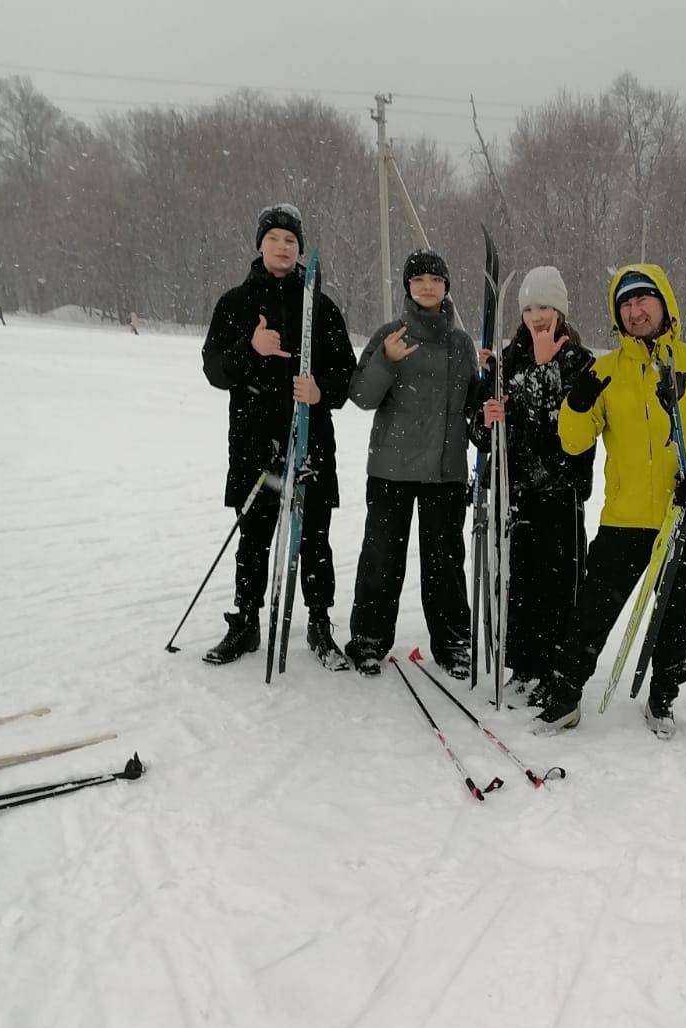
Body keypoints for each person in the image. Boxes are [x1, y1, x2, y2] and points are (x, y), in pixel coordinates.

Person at [530, 262, 686, 736]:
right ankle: (566, 696)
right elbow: (573, 442)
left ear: (664, 302)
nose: (635, 310)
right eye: (625, 303)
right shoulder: (604, 372)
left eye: (644, 298)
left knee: (677, 618)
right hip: (624, 518)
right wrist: (578, 402)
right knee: (591, 614)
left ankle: (662, 698)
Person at [200, 203, 357, 668]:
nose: (283, 247)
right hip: (253, 438)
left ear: (299, 249)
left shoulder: (321, 306)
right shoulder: (235, 303)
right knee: (254, 535)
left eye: (291, 240)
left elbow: (345, 373)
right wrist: (252, 349)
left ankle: (319, 625)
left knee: (314, 537)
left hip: (309, 439)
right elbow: (214, 369)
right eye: (275, 239)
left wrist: (320, 390)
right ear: (260, 245)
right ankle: (246, 623)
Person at [345, 249, 480, 678]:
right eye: (418, 279)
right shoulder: (391, 334)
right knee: (382, 558)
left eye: (435, 280)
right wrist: (386, 360)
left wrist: (488, 384)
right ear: (407, 286)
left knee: (445, 563)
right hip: (392, 469)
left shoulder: (461, 344)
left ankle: (454, 642)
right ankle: (368, 639)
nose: (427, 286)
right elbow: (362, 396)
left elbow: (470, 406)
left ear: (446, 288)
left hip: (445, 471)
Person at [474, 265, 595, 698]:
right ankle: (523, 664)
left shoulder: (580, 362)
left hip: (560, 492)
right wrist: (486, 420)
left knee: (558, 584)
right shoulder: (507, 360)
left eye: (544, 305)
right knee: (519, 582)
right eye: (527, 307)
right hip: (517, 490)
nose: (536, 315)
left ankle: (554, 669)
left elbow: (566, 431)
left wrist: (546, 370)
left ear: (560, 308)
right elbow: (482, 430)